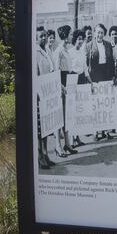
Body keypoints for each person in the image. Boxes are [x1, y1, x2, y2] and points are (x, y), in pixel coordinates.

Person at [85, 23, 116, 140]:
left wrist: (112, 76)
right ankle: (96, 131)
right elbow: (86, 64)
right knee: (96, 104)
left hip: (106, 75)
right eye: (98, 32)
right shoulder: (88, 46)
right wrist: (90, 80)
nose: (100, 35)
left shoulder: (108, 45)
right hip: (95, 76)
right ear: (94, 33)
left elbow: (111, 61)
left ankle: (105, 130)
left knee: (106, 103)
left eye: (102, 32)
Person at [53, 25, 78, 156]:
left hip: (68, 81)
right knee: (60, 117)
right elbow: (56, 71)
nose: (71, 36)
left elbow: (69, 69)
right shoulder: (58, 51)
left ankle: (67, 144)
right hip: (61, 84)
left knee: (67, 115)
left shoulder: (66, 50)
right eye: (70, 34)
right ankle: (58, 145)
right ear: (65, 35)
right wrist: (61, 86)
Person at [36, 27, 55, 170]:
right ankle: (39, 157)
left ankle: (46, 154)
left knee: (47, 126)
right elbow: (36, 74)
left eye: (44, 36)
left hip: (49, 93)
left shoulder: (47, 51)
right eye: (41, 36)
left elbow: (52, 70)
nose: (43, 38)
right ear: (36, 38)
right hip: (39, 93)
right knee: (39, 128)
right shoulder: (35, 53)